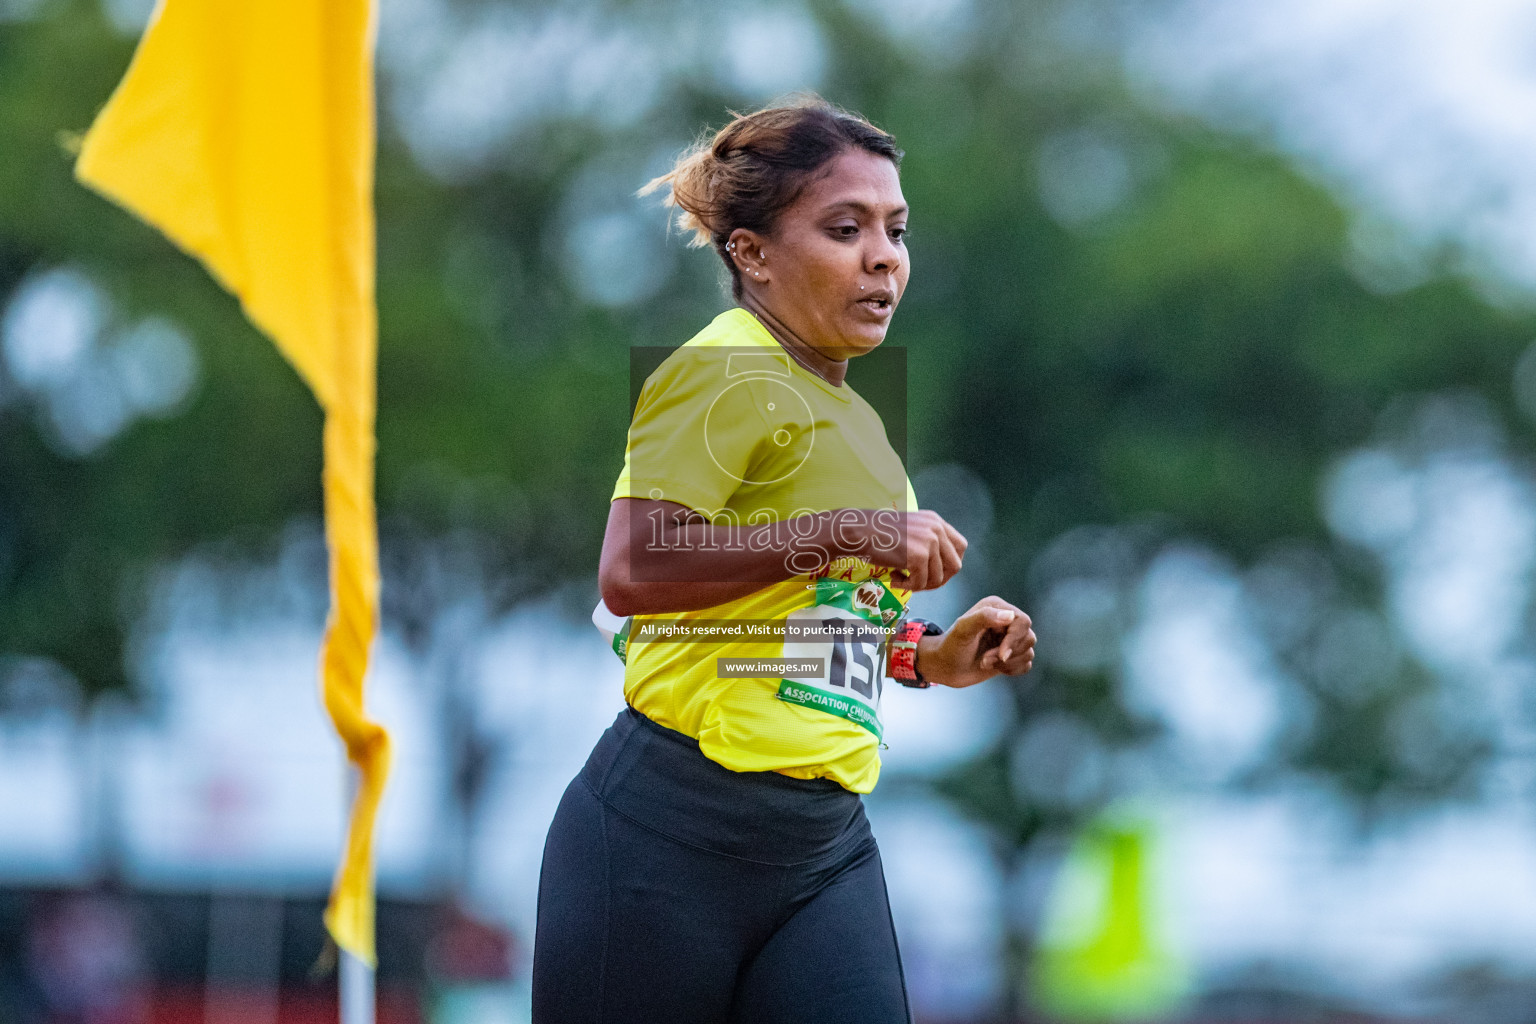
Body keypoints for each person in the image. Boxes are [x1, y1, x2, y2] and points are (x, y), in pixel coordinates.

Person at [531, 96, 1037, 1024]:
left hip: (821, 846)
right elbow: (634, 570)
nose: (884, 256)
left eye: (895, 229)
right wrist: (853, 533)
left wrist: (924, 656)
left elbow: (800, 625)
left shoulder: (863, 424)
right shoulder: (723, 371)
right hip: (668, 834)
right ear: (752, 254)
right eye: (845, 229)